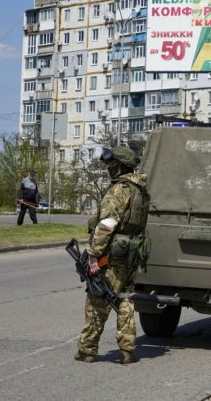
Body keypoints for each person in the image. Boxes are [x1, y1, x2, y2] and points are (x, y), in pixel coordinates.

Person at [74, 146, 149, 365]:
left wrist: (94, 256)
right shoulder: (140, 188)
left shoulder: (120, 189)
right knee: (125, 300)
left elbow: (107, 224)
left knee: (98, 299)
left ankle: (87, 349)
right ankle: (127, 350)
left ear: (121, 166)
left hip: (112, 256)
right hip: (130, 254)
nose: (108, 167)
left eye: (111, 164)